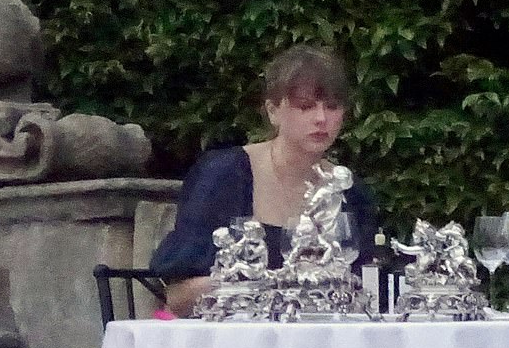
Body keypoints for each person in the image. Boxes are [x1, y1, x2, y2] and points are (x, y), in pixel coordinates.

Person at [151, 44, 379, 316]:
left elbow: (366, 291)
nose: (321, 119)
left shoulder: (350, 191)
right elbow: (179, 295)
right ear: (273, 111)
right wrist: (261, 287)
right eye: (305, 107)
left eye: (332, 107)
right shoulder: (224, 175)